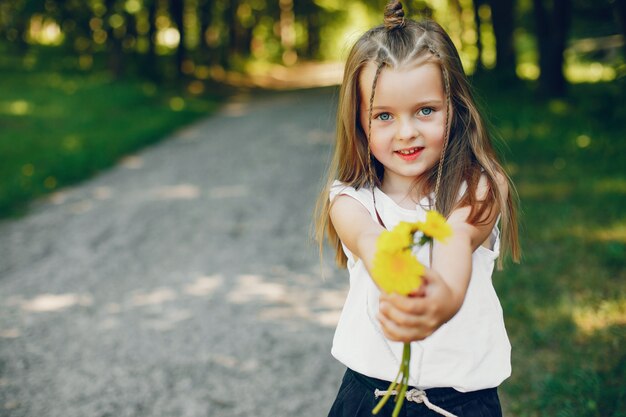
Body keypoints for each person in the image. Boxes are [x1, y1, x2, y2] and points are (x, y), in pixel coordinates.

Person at [314, 1, 521, 416]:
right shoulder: (350, 200)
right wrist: (397, 277)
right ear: (358, 122)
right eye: (384, 116)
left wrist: (442, 298)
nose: (407, 132)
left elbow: (458, 238)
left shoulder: (478, 187)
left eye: (426, 110)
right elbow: (371, 242)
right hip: (367, 398)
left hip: (462, 404)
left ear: (456, 108)